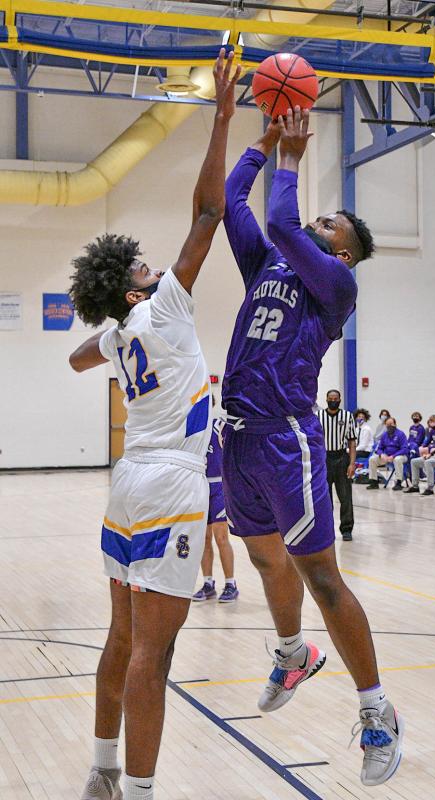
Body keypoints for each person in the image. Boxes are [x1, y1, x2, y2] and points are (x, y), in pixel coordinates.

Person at [68, 51, 240, 800]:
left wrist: (107, 326)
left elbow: (78, 357)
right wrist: (224, 117)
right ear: (136, 283)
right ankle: (136, 793)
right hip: (170, 481)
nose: (149, 267)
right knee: (153, 653)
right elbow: (208, 213)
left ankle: (103, 772)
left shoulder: (117, 333)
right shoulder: (163, 306)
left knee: (119, 636)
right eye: (138, 267)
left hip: (126, 484)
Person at [220, 107, 403, 786]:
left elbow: (277, 220)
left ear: (344, 251)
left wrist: (291, 158)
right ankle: (294, 654)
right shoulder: (269, 262)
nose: (317, 225)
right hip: (236, 435)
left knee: (321, 578)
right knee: (265, 562)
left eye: (330, 224)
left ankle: (378, 712)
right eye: (319, 219)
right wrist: (261, 142)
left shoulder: (336, 284)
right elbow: (232, 201)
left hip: (287, 439)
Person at [193, 399, 239, 603]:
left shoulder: (219, 425)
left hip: (219, 485)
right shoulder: (191, 429)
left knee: (221, 537)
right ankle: (208, 582)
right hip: (199, 486)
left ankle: (231, 583)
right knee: (203, 539)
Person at [317, 390, 357, 541]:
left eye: (336, 398)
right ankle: (326, 529)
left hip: (341, 458)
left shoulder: (347, 416)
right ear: (326, 399)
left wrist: (352, 463)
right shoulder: (318, 416)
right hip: (323, 459)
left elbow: (352, 441)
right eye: (330, 398)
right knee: (324, 498)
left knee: (345, 496)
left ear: (340, 400)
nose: (333, 400)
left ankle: (346, 529)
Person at [366, 417, 408, 491]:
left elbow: (404, 449)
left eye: (391, 424)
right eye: (387, 424)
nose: (389, 426)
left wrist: (393, 456)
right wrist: (381, 454)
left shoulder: (401, 434)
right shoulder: (384, 435)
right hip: (387, 457)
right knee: (372, 459)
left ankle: (398, 482)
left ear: (395, 424)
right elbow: (379, 448)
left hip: (400, 456)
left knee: (397, 459)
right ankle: (374, 482)